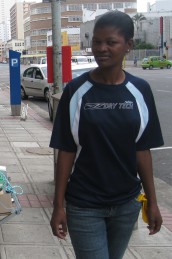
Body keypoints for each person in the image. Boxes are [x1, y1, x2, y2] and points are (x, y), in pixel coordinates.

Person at [50, 11, 164, 259]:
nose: (102, 48)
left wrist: (152, 202)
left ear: (128, 46)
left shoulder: (140, 91)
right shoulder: (76, 91)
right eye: (97, 42)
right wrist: (59, 205)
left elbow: (142, 150)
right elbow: (66, 151)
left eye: (111, 42)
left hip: (127, 204)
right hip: (84, 204)